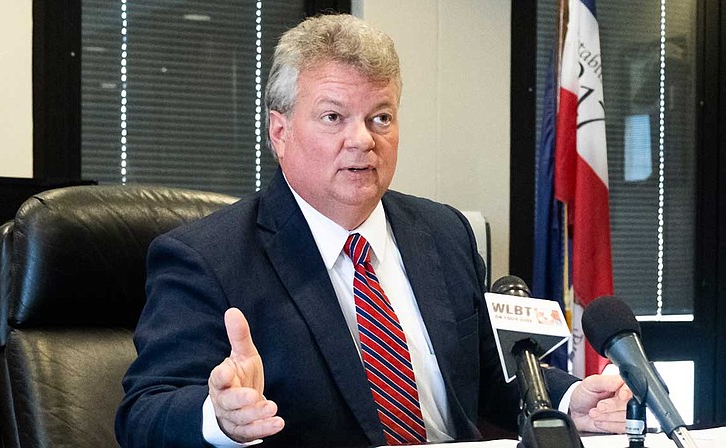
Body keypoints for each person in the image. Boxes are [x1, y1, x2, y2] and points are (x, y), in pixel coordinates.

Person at [115, 13, 631, 447]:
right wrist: (220, 418)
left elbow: (489, 379)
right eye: (334, 117)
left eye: (381, 118)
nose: (362, 140)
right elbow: (143, 413)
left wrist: (567, 398)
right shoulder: (207, 257)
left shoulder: (443, 232)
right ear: (280, 132)